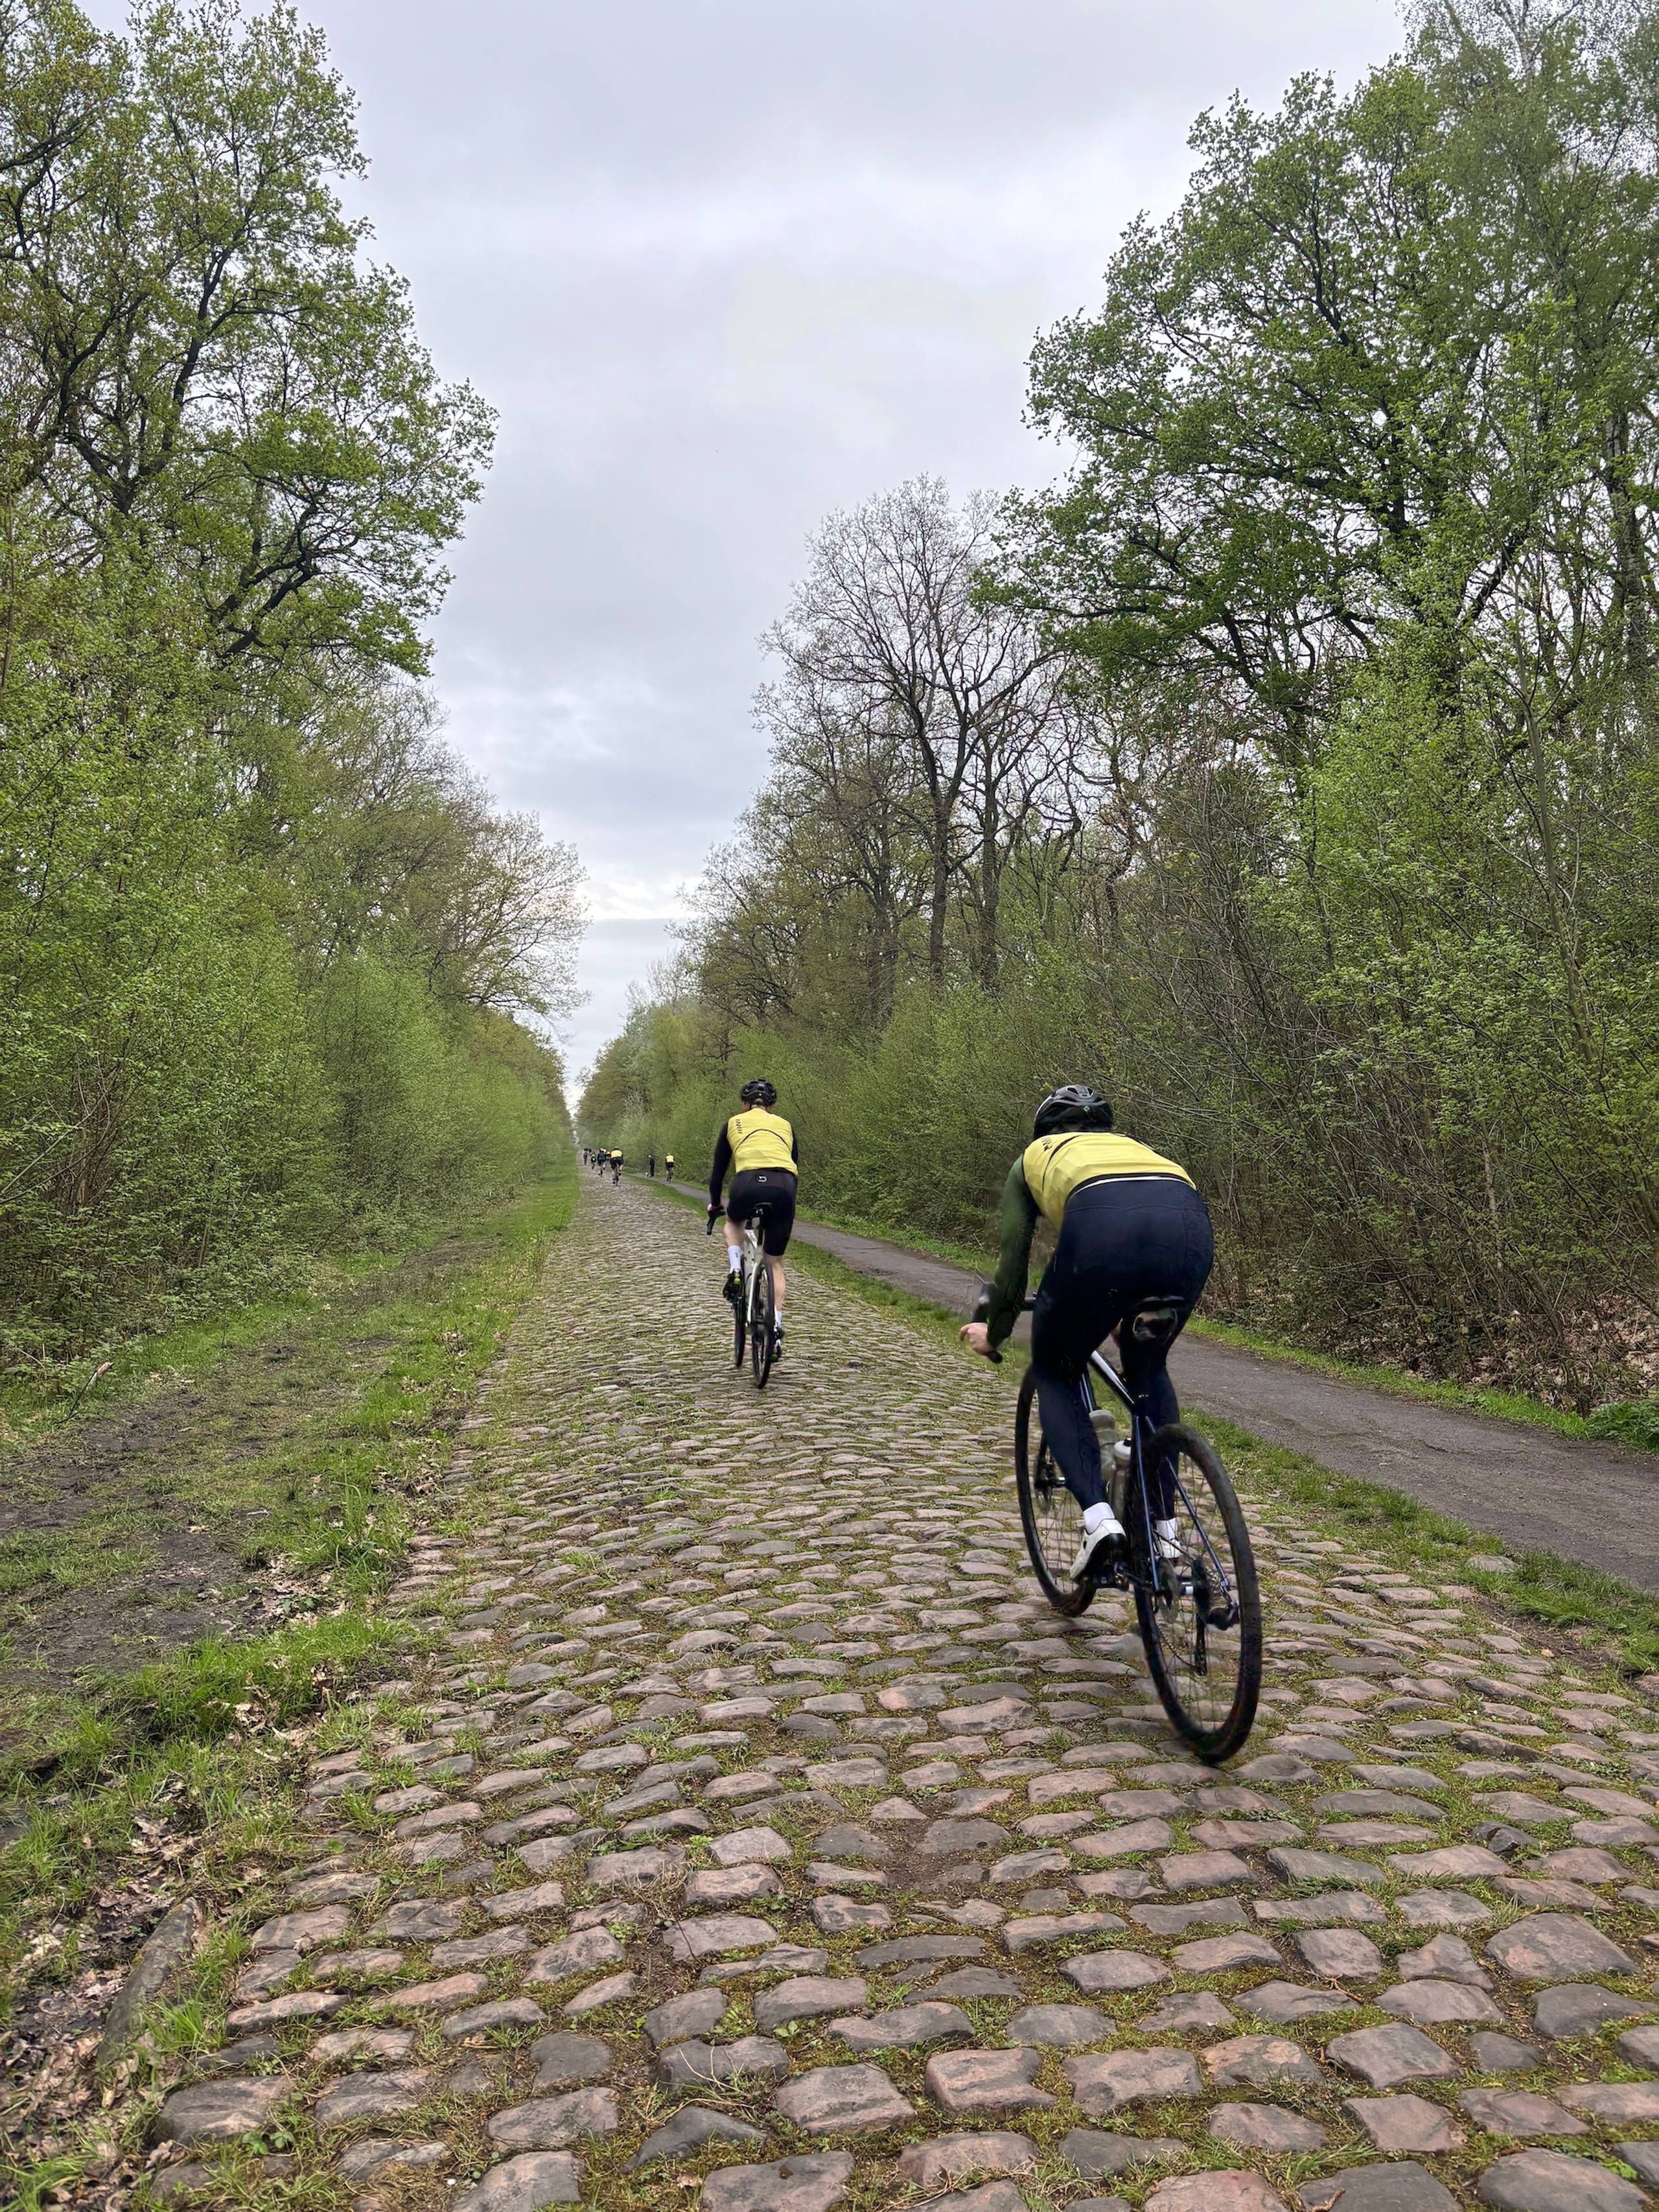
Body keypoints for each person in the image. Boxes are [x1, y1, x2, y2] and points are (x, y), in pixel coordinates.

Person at [960, 1084, 1212, 1579]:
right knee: (1147, 1367)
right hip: (1188, 1231)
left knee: (1055, 1367)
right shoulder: (1139, 1148)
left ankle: (1099, 1522)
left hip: (1102, 1237)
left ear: (1047, 1131)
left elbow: (1013, 1261)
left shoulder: (1035, 1156)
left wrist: (997, 1330)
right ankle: (1165, 1532)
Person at [707, 1078, 797, 1358]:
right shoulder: (785, 1125)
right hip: (784, 1187)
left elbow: (718, 1172)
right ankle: (777, 1334)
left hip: (746, 1183)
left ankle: (736, 1271)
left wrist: (714, 1203)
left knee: (733, 1223)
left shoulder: (734, 1123)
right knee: (775, 1263)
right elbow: (794, 1166)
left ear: (744, 1104)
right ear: (771, 1106)